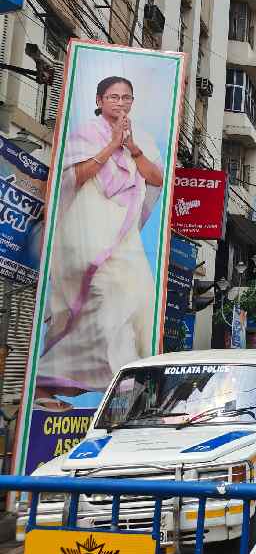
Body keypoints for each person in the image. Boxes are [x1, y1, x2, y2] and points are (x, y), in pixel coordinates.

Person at [39, 76, 165, 405]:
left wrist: (132, 146)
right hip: (87, 234)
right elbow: (72, 179)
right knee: (106, 300)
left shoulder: (144, 140)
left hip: (124, 239)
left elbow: (156, 178)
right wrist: (111, 145)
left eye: (126, 97)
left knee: (139, 302)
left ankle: (118, 385)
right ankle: (48, 377)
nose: (120, 103)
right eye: (113, 97)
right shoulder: (84, 134)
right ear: (99, 101)